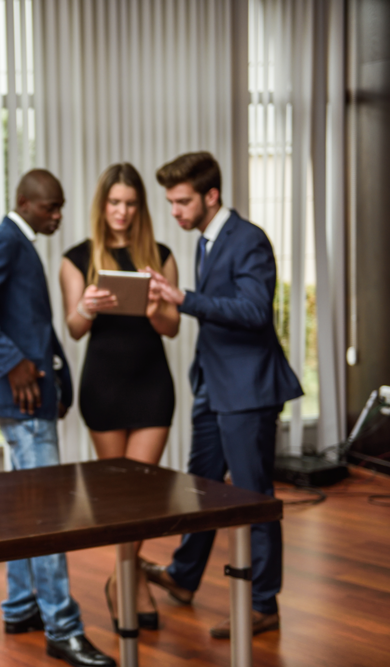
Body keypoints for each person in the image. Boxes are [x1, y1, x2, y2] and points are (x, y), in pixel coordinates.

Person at [0, 169, 115, 667]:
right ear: (24, 202)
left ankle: (21, 607)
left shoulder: (20, 242)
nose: (58, 215)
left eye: (61, 206)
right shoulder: (4, 240)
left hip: (33, 396)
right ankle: (63, 627)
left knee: (29, 507)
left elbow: (33, 323)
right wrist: (15, 363)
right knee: (48, 512)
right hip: (19, 396)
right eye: (50, 207)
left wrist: (55, 383)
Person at [141, 151, 302, 638]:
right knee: (203, 486)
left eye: (182, 201)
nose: (175, 212)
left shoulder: (249, 239)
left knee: (254, 499)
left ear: (211, 196)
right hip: (213, 385)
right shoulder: (206, 240)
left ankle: (262, 604)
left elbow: (255, 312)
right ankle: (185, 576)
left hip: (248, 389)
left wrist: (182, 298)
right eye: (170, 202)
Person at [58, 163, 180, 632]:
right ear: (102, 205)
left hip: (152, 383)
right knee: (120, 494)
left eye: (130, 203)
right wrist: (85, 307)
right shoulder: (77, 257)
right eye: (114, 203)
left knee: (145, 491)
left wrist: (155, 309)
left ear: (139, 207)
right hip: (104, 385)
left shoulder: (160, 255)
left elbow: (172, 327)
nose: (122, 212)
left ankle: (121, 577)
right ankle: (131, 579)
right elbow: (72, 328)